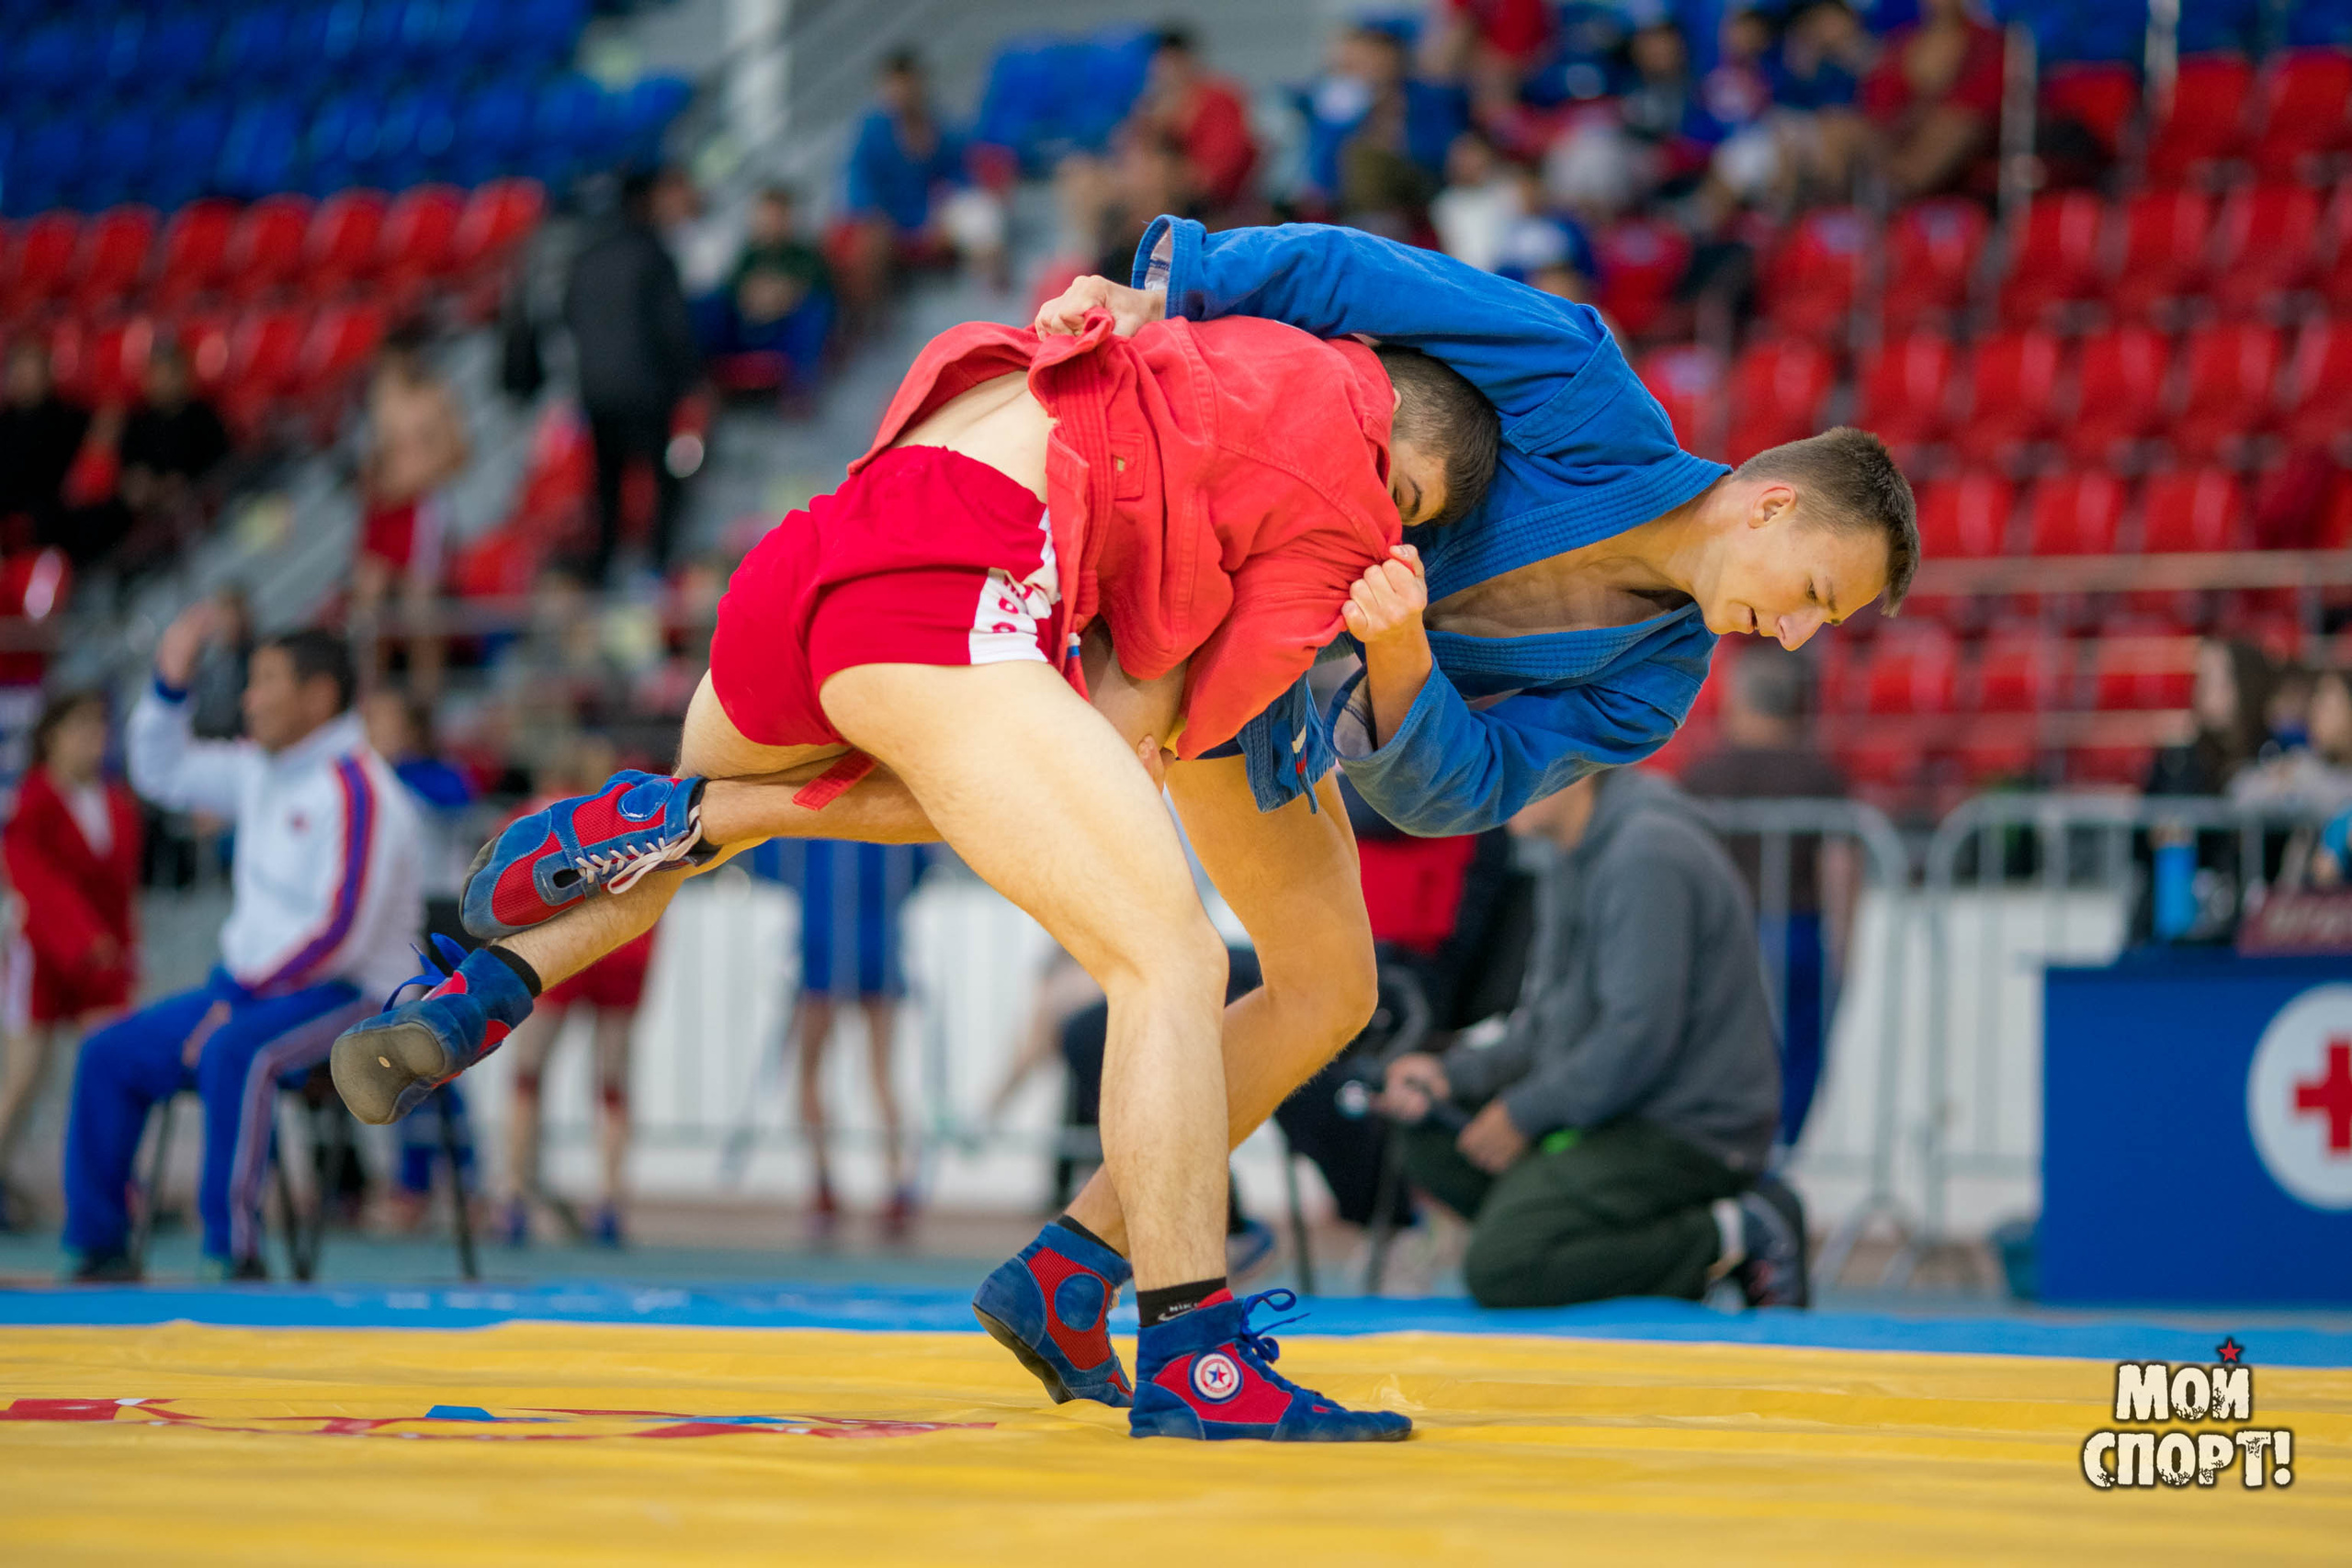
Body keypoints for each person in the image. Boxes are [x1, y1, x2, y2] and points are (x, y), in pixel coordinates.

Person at [349, 218, 1912, 1434]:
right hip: (1194, 581)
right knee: (1143, 922)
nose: (1792, 637)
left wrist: (1403, 656)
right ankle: (1167, 1320)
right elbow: (1360, 275)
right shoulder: (1578, 380)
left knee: (1325, 987)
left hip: (1278, 667)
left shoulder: (1652, 677)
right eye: (1815, 598)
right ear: (1772, 505)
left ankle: (1057, 1258)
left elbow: (1454, 795)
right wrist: (1175, 284)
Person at [339, 303, 1506, 1444]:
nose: (1388, 536)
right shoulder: (1321, 460)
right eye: (1402, 499)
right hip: (959, 567)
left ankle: (478, 992)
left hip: (812, 553)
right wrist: (1374, 642)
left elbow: (1206, 280)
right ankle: (1194, 1354)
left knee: (851, 812)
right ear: (1388, 424)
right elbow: (1198, 706)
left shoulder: (1157, 345)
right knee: (1172, 961)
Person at [63, 611, 421, 1280]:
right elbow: (160, 771)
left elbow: (340, 935)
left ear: (316, 696)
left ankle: (234, 1250)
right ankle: (98, 1245)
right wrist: (170, 687)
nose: (248, 698)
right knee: (108, 1054)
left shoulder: (364, 791)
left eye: (264, 682)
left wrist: (237, 999)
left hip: (357, 997)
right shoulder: (261, 769)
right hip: (249, 990)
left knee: (236, 1050)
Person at [1380, 769, 1804, 1309]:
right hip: (1619, 1111)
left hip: (1687, 1132)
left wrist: (1524, 1114)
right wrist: (1449, 1076)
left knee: (1504, 1266)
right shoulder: (1571, 851)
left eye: (1514, 762)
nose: (1496, 782)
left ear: (1576, 768)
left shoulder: (1647, 854)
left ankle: (1736, 1232)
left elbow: (1637, 1041)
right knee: (1426, 1131)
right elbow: (1544, 1026)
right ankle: (1559, 1225)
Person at [1679, 645, 1855, 1146]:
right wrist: (1844, 950)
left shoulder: (1702, 776)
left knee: (1716, 1050)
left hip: (1721, 935)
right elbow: (1840, 870)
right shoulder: (1819, 775)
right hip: (1796, 932)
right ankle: (1777, 1154)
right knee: (1798, 1052)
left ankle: (1728, 1154)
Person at [497, 736, 648, 1249]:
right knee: (612, 1077)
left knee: (528, 1071)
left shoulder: (535, 814)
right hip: (622, 944)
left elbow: (504, 891)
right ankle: (609, 1199)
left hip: (558, 946)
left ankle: (515, 1193)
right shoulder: (629, 806)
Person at [0, 692, 141, 1228]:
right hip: (42, 952)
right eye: (80, 728)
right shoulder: (34, 797)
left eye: (98, 729)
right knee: (23, 1079)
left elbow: (122, 890)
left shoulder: (116, 803)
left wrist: (124, 953)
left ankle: (114, 1186)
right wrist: (79, 938)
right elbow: (31, 878)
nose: (92, 740)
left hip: (101, 960)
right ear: (52, 736)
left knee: (112, 1067)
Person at [777, 836, 927, 1240]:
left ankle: (823, 1183)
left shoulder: (811, 805)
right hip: (877, 946)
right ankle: (896, 1186)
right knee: (881, 1075)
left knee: (810, 1071)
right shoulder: (886, 805)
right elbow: (918, 865)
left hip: (822, 945)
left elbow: (778, 862)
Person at [565, 169, 704, 586]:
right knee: (665, 479)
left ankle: (603, 571)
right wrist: (690, 383)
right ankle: (658, 566)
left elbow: (569, 318)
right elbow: (672, 326)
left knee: (606, 485)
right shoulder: (653, 253)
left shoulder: (585, 256)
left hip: (596, 390)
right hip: (647, 390)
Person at [835, 50, 1007, 315]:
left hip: (934, 216)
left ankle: (994, 294)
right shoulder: (871, 132)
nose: (902, 94)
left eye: (908, 85)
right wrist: (877, 217)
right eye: (895, 86)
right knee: (868, 240)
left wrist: (938, 212)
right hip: (889, 220)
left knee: (979, 213)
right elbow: (858, 185)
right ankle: (872, 318)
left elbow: (960, 176)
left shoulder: (940, 127)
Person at [355, 329, 470, 694]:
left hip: (420, 504)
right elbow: (377, 452)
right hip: (384, 506)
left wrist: (414, 479)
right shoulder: (381, 397)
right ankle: (369, 691)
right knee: (367, 604)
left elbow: (459, 453)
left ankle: (425, 695)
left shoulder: (435, 396)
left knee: (419, 607)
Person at [114, 340, 232, 582]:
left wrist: (184, 487)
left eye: (168, 373)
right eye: (154, 374)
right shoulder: (137, 422)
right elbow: (130, 478)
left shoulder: (204, 417)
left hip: (196, 513)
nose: (160, 381)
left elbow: (222, 471)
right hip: (146, 514)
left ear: (184, 375)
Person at [710, 186, 836, 394]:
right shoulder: (748, 256)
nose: (771, 224)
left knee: (816, 308)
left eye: (778, 217)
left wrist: (779, 297)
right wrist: (756, 299)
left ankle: (800, 385)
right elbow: (734, 291)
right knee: (712, 305)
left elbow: (812, 288)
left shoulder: (804, 255)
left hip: (785, 331)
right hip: (749, 327)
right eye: (766, 217)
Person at [1127, 26, 1259, 219]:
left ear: (1185, 59)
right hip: (1162, 185)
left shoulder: (1219, 99)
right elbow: (1134, 153)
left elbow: (1222, 166)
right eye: (1158, 63)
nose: (1163, 70)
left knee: (1155, 175)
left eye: (1169, 61)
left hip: (1208, 194)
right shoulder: (1152, 105)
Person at [0, 342, 91, 560]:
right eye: (18, 367)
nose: (23, 374)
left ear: (46, 372)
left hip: (52, 521)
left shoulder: (69, 418)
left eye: (30, 367)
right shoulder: (4, 423)